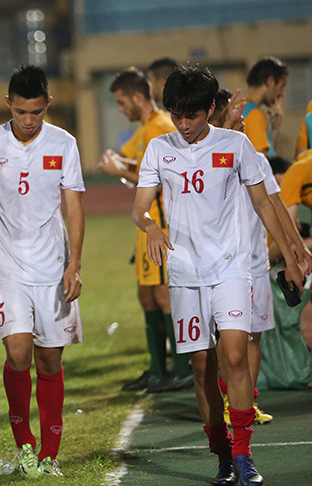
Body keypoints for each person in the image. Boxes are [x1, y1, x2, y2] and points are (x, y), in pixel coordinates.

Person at [133, 64, 305, 486]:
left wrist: (291, 259)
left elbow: (266, 205)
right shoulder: (159, 148)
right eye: (176, 114)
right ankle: (222, 454)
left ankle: (245, 455)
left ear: (210, 109)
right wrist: (152, 226)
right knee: (201, 367)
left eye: (192, 115)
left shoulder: (237, 145)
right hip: (185, 272)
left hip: (231, 268)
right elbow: (139, 207)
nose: (184, 124)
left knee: (234, 356)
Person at [0, 65, 84, 477]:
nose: (28, 121)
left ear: (47, 104)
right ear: (8, 103)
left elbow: (72, 206)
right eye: (21, 112)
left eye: (36, 112)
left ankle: (50, 453)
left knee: (49, 359)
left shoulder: (64, 143)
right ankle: (25, 445)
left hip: (53, 268)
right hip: (7, 266)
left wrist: (75, 264)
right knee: (17, 352)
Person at [209, 90, 312, 425]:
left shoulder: (254, 156)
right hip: (221, 265)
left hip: (255, 262)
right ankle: (227, 401)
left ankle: (246, 403)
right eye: (234, 113)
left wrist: (297, 248)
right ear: (217, 116)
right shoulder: (205, 157)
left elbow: (277, 204)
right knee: (229, 339)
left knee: (254, 336)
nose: (242, 118)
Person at [99, 67, 192, 393]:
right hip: (146, 223)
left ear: (139, 97)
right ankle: (157, 369)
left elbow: (161, 177)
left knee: (165, 296)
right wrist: (117, 162)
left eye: (122, 102)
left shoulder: (161, 127)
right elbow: (132, 163)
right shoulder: (146, 128)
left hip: (162, 223)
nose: (120, 109)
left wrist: (117, 171)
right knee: (147, 295)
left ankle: (182, 368)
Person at [260, 155, 312, 391]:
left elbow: (288, 237)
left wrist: (295, 254)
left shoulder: (296, 172)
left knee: (306, 322)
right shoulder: (303, 164)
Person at [243, 57, 288, 157]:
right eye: (282, 86)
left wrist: (275, 129)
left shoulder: (239, 108)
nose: (282, 94)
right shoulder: (255, 114)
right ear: (270, 81)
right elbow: (264, 164)